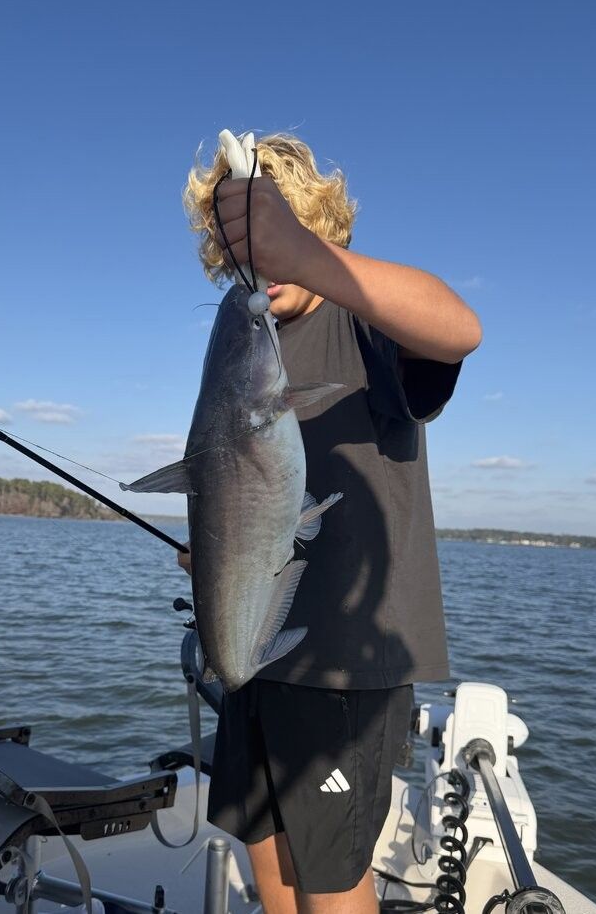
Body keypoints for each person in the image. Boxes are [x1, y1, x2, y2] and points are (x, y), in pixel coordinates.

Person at [180, 134, 482, 914]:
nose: (259, 261)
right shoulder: (247, 337)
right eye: (242, 242)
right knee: (271, 870)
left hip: (346, 671)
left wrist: (307, 258)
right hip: (253, 652)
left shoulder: (367, 323)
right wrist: (220, 540)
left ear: (315, 223)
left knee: (332, 887)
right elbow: (231, 476)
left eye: (273, 229)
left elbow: (459, 327)